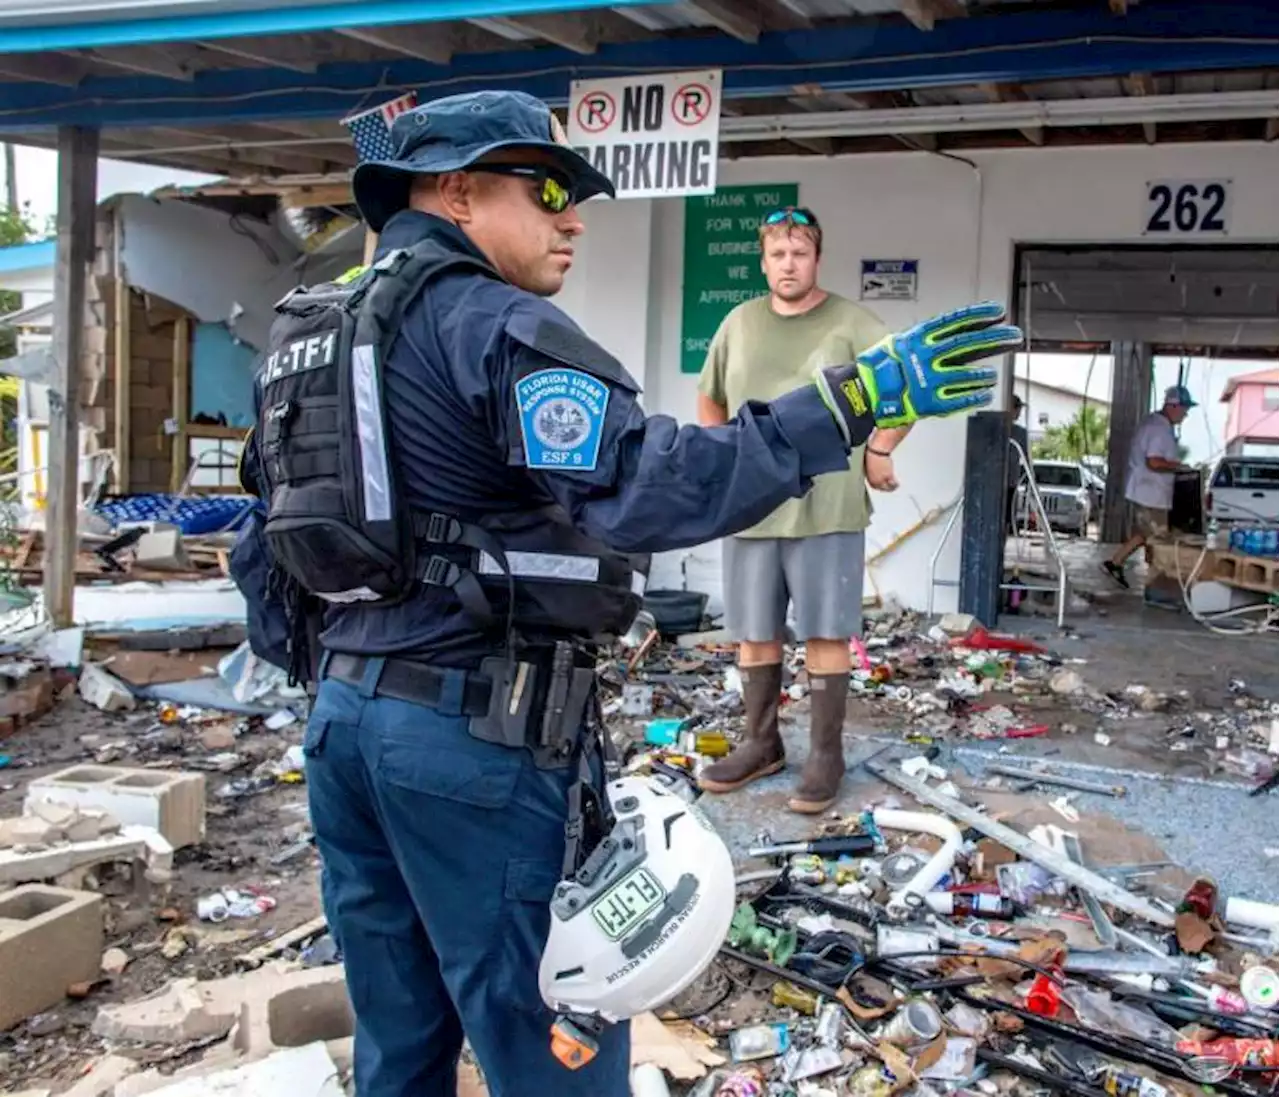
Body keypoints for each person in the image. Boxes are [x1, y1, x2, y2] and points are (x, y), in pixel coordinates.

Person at [229, 88, 1022, 1097]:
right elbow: (650, 485)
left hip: (342, 729)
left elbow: (264, 554)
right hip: (471, 738)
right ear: (458, 193)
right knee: (555, 1031)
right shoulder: (490, 323)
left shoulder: (315, 329)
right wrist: (847, 402)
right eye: (548, 188)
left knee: (399, 1034)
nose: (573, 216)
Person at [693, 206, 907, 815]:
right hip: (753, 507)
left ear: (817, 258)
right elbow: (710, 399)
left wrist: (880, 449)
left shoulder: (853, 324)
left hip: (829, 505)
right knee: (754, 634)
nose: (789, 264)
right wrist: (720, 463)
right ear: (763, 261)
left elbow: (903, 390)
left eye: (800, 253)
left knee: (825, 633)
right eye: (778, 254)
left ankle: (824, 756)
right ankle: (762, 743)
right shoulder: (738, 323)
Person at [1102, 384, 1196, 589]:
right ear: (1174, 406)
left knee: (1144, 534)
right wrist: (1179, 466)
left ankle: (1115, 563)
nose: (1185, 415)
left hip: (1146, 491)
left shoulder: (1154, 423)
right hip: (1152, 493)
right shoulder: (1159, 429)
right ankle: (1157, 582)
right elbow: (1153, 462)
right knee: (1158, 539)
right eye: (1184, 410)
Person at [1006, 392, 1029, 535]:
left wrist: (1028, 482)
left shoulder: (1020, 433)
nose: (1019, 413)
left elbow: (1027, 460)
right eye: (1018, 409)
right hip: (996, 485)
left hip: (1011, 484)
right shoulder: (996, 429)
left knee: (1008, 521)